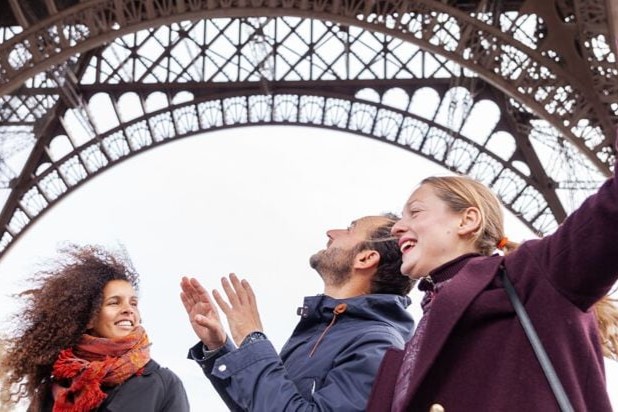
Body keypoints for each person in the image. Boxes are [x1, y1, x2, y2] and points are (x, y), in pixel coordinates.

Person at [366, 171, 618, 411]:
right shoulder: (410, 343)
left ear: (467, 220)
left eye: (415, 212)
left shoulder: (531, 275)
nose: (396, 227)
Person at [181, 214, 415, 411]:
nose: (331, 232)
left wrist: (252, 339)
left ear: (365, 258)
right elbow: (263, 405)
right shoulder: (326, 332)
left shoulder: (378, 344)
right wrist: (219, 347)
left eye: (350, 229)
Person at [0, 245, 190, 411]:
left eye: (133, 303)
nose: (128, 310)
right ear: (89, 318)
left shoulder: (163, 384)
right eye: (114, 302)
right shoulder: (51, 389)